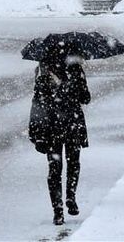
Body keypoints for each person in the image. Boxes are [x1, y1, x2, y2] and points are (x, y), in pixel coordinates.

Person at [29, 55, 91, 225]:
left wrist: (35, 132)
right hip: (73, 123)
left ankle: (58, 211)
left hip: (51, 126)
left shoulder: (43, 71)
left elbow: (37, 103)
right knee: (73, 163)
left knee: (54, 170)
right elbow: (86, 98)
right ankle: (70, 196)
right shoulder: (75, 69)